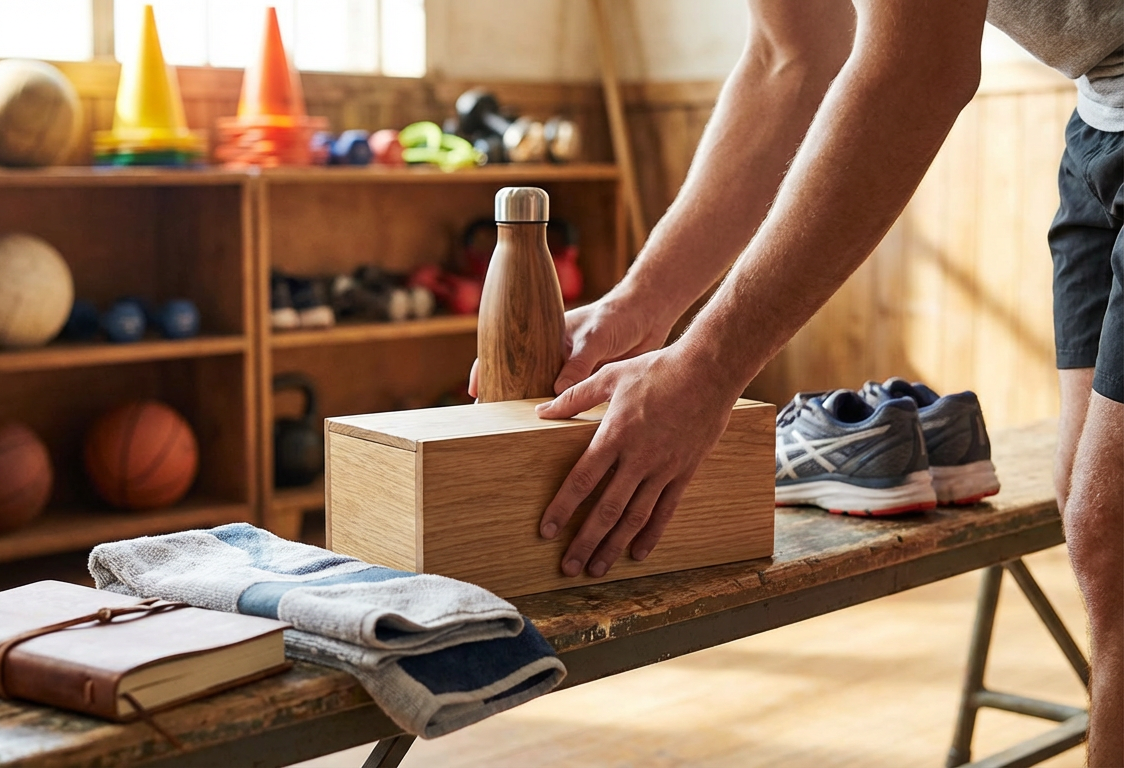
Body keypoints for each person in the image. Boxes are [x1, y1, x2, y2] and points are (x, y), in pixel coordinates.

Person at [470, 1, 1121, 763]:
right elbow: (792, 56)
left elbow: (922, 69)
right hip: (1101, 113)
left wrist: (707, 368)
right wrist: (642, 301)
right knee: (1101, 540)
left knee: (1111, 522)